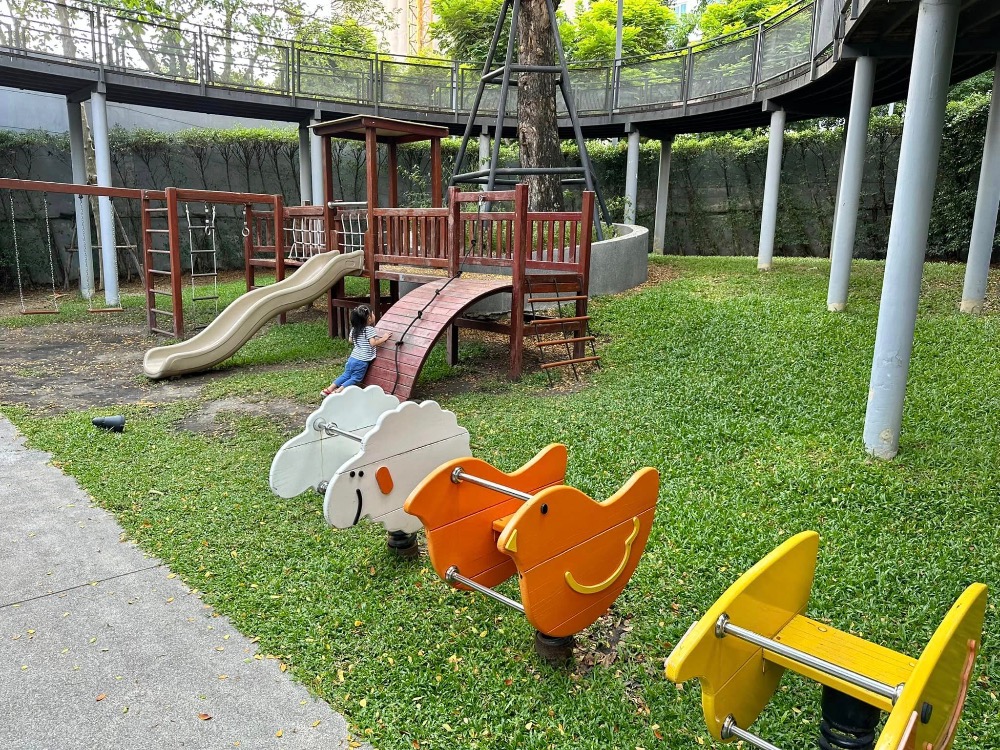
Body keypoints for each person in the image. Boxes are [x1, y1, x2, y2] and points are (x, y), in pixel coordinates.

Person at [322, 304, 390, 396]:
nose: (374, 315)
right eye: (372, 313)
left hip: (353, 358)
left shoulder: (354, 329)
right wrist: (384, 338)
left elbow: (350, 340)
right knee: (355, 378)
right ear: (369, 318)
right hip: (362, 361)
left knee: (346, 375)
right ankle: (338, 391)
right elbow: (373, 343)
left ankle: (329, 389)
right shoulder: (369, 329)